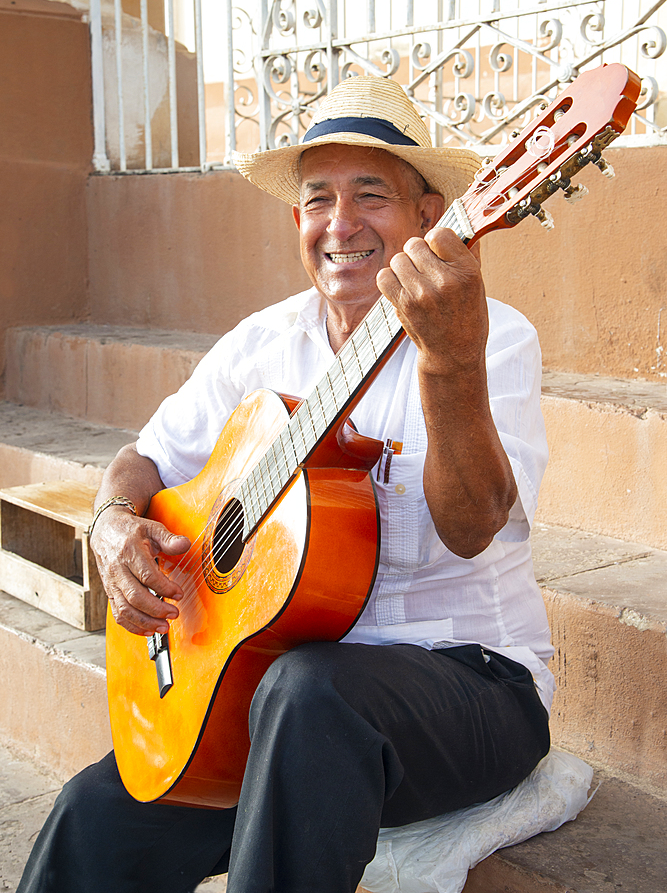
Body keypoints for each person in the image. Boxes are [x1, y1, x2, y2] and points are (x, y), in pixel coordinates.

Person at [18, 76, 552, 893]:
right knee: (98, 810)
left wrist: (448, 360)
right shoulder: (258, 344)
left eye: (370, 195)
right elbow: (142, 462)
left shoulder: (492, 337)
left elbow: (474, 524)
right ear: (295, 222)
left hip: (469, 686)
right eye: (317, 200)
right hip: (274, 706)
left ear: (431, 216)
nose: (340, 224)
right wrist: (113, 526)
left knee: (310, 696)